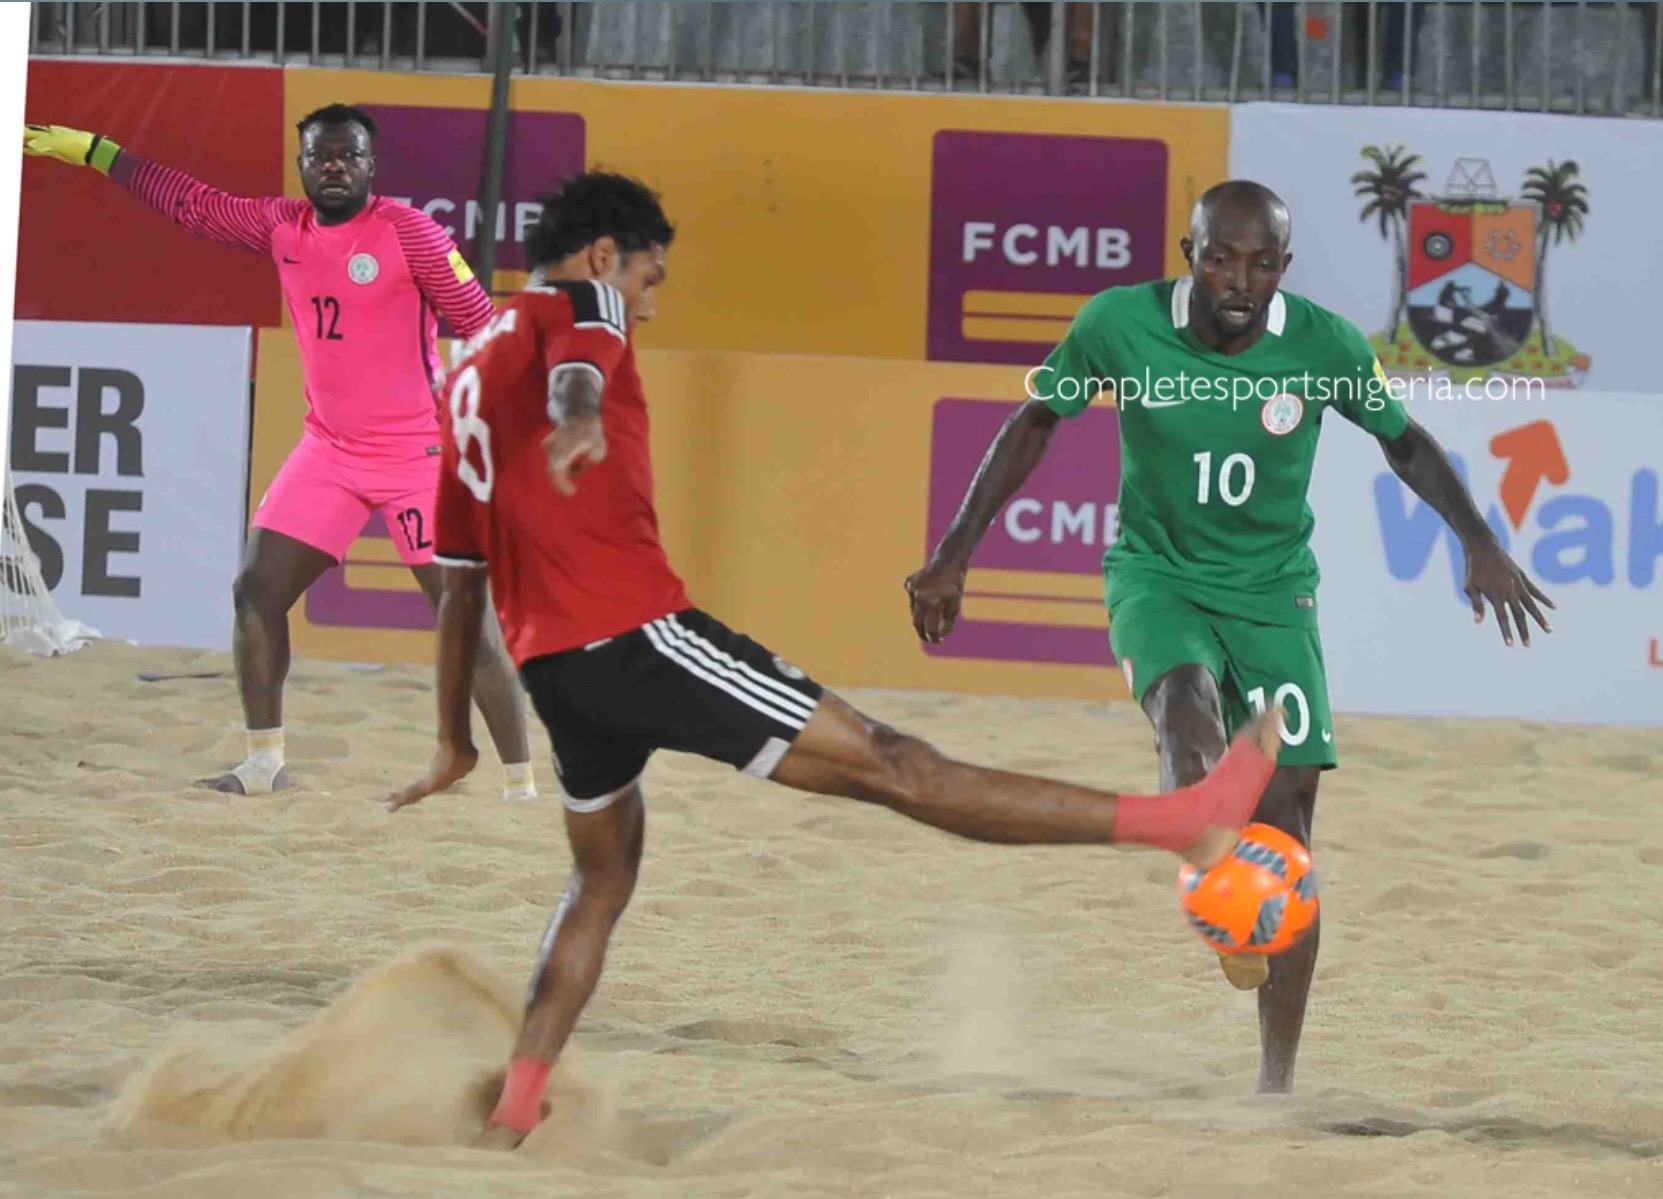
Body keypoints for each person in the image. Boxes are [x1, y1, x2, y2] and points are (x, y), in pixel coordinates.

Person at [382, 170, 1287, 1149]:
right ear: (605, 256)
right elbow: (582, 365)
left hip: (553, 670)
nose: (649, 303)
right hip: (639, 637)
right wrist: (577, 413)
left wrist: (452, 738)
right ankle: (1177, 820)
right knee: (898, 765)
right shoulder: (583, 304)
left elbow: (459, 585)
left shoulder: (465, 372)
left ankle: (515, 1106)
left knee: (598, 880)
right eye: (650, 278)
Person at [906, 179, 1554, 1095]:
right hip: (1158, 575)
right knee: (1183, 707)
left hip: (1274, 597)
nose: (1238, 279)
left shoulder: (1325, 345)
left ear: (1284, 266)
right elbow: (1036, 419)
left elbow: (1402, 440)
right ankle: (1214, 868)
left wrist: (1478, 541)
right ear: (1190, 255)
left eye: (1259, 262)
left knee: (1287, 832)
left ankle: (1274, 1084)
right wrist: (953, 554)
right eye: (1219, 258)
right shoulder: (1117, 324)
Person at [22, 106, 533, 799]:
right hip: (330, 451)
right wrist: (96, 150)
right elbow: (193, 205)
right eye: (320, 155)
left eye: (349, 155)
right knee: (255, 593)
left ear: (371, 166)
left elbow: (481, 323)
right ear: (301, 165)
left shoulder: (409, 231)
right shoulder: (281, 227)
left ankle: (520, 785)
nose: (334, 166)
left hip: (417, 454)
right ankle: (264, 765)